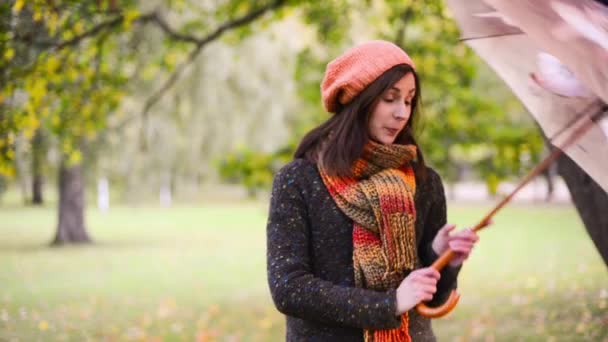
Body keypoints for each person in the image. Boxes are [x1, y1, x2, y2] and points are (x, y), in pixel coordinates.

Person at [266, 40, 481, 342]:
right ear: (358, 101)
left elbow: (430, 300)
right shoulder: (300, 180)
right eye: (390, 98)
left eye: (409, 100)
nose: (402, 113)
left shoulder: (424, 182)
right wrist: (388, 304)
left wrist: (443, 258)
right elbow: (289, 288)